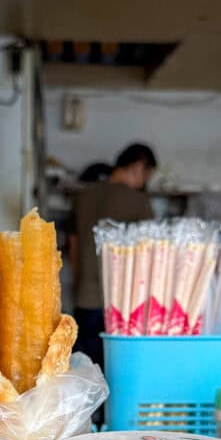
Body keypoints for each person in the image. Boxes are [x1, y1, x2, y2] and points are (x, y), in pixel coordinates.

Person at [69, 143, 157, 367]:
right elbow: (147, 255)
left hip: (85, 299)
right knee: (117, 370)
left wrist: (80, 283)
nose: (145, 182)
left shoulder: (83, 196)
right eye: (147, 175)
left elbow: (73, 245)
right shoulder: (139, 202)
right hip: (121, 304)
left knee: (85, 371)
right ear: (139, 167)